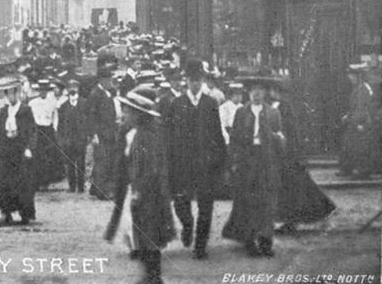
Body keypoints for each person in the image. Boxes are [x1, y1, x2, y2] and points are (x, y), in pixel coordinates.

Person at [104, 85, 175, 284]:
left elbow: (152, 167)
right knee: (141, 234)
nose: (124, 113)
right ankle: (149, 275)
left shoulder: (148, 136)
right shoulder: (131, 132)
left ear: (138, 113)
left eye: (128, 110)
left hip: (150, 193)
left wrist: (139, 191)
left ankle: (154, 277)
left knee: (150, 236)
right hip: (138, 191)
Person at [168, 60, 226, 260]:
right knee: (181, 202)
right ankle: (187, 224)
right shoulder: (177, 103)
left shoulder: (210, 104)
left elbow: (217, 134)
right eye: (191, 80)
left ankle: (200, 246)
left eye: (198, 80)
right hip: (183, 165)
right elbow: (171, 136)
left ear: (202, 80)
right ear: (186, 81)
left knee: (206, 206)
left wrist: (219, 160)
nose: (195, 84)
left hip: (205, 165)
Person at [222, 78, 284, 258]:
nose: (256, 93)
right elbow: (235, 140)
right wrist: (234, 162)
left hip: (267, 161)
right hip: (247, 162)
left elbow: (280, 137)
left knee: (267, 202)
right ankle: (249, 241)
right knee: (247, 201)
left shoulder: (273, 113)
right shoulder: (242, 112)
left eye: (260, 90)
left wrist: (274, 139)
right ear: (248, 93)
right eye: (253, 90)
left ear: (265, 93)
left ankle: (265, 242)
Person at [269, 82, 335, 233]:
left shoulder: (284, 107)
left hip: (289, 155)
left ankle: (323, 211)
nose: (270, 92)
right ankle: (291, 221)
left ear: (276, 91)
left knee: (301, 188)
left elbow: (289, 131)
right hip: (284, 155)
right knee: (293, 189)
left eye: (272, 89)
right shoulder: (278, 106)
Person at [0, 76, 37, 226]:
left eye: (13, 93)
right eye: (7, 94)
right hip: (6, 151)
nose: (11, 97)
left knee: (23, 183)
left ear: (18, 94)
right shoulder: (4, 111)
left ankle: (25, 214)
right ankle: (6, 213)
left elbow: (32, 131)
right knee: (5, 183)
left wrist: (29, 148)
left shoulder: (26, 110)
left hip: (20, 151)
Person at [87, 68, 120, 200]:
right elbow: (91, 116)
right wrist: (93, 134)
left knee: (106, 160)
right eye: (108, 80)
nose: (110, 82)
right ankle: (103, 191)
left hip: (109, 133)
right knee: (103, 162)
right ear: (102, 80)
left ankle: (95, 187)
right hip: (101, 134)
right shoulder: (95, 94)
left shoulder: (107, 93)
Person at [339, 63, 375, 178]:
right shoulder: (358, 89)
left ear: (359, 76)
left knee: (361, 147)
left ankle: (363, 171)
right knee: (349, 145)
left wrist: (358, 123)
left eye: (353, 76)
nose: (350, 78)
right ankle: (347, 169)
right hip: (355, 120)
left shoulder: (363, 89)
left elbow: (363, 108)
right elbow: (354, 107)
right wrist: (348, 116)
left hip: (362, 122)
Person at [57, 78, 90, 193]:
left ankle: (81, 187)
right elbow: (60, 125)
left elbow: (88, 122)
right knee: (70, 163)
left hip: (81, 139)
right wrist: (61, 139)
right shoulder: (63, 106)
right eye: (70, 87)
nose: (72, 89)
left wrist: (87, 136)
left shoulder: (85, 104)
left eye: (75, 87)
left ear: (78, 89)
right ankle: (72, 187)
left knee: (81, 163)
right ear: (67, 89)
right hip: (68, 140)